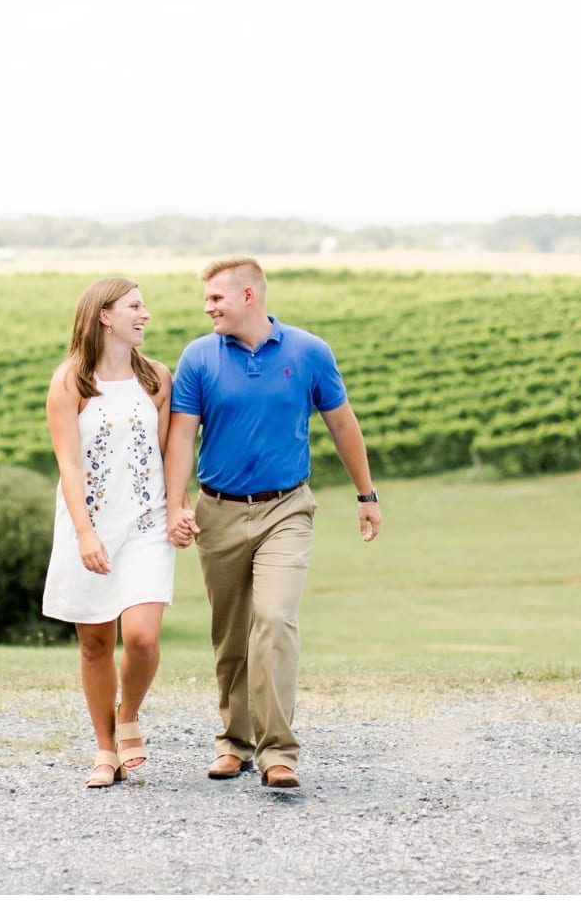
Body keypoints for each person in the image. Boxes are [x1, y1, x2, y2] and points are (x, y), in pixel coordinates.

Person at [164, 256, 381, 789]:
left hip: (287, 509)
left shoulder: (309, 352)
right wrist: (177, 504)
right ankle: (234, 743)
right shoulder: (198, 357)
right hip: (218, 511)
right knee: (231, 635)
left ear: (248, 297)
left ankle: (278, 752)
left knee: (276, 618)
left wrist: (366, 494)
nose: (208, 307)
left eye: (216, 297)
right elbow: (181, 437)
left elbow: (342, 423)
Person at [42, 277, 181, 788]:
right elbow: (69, 466)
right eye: (135, 306)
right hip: (90, 526)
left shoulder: (156, 379)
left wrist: (179, 508)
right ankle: (105, 751)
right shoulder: (70, 382)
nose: (145, 314)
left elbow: (169, 454)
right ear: (105, 315)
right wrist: (83, 533)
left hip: (146, 523)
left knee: (142, 639)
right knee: (96, 643)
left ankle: (128, 717)